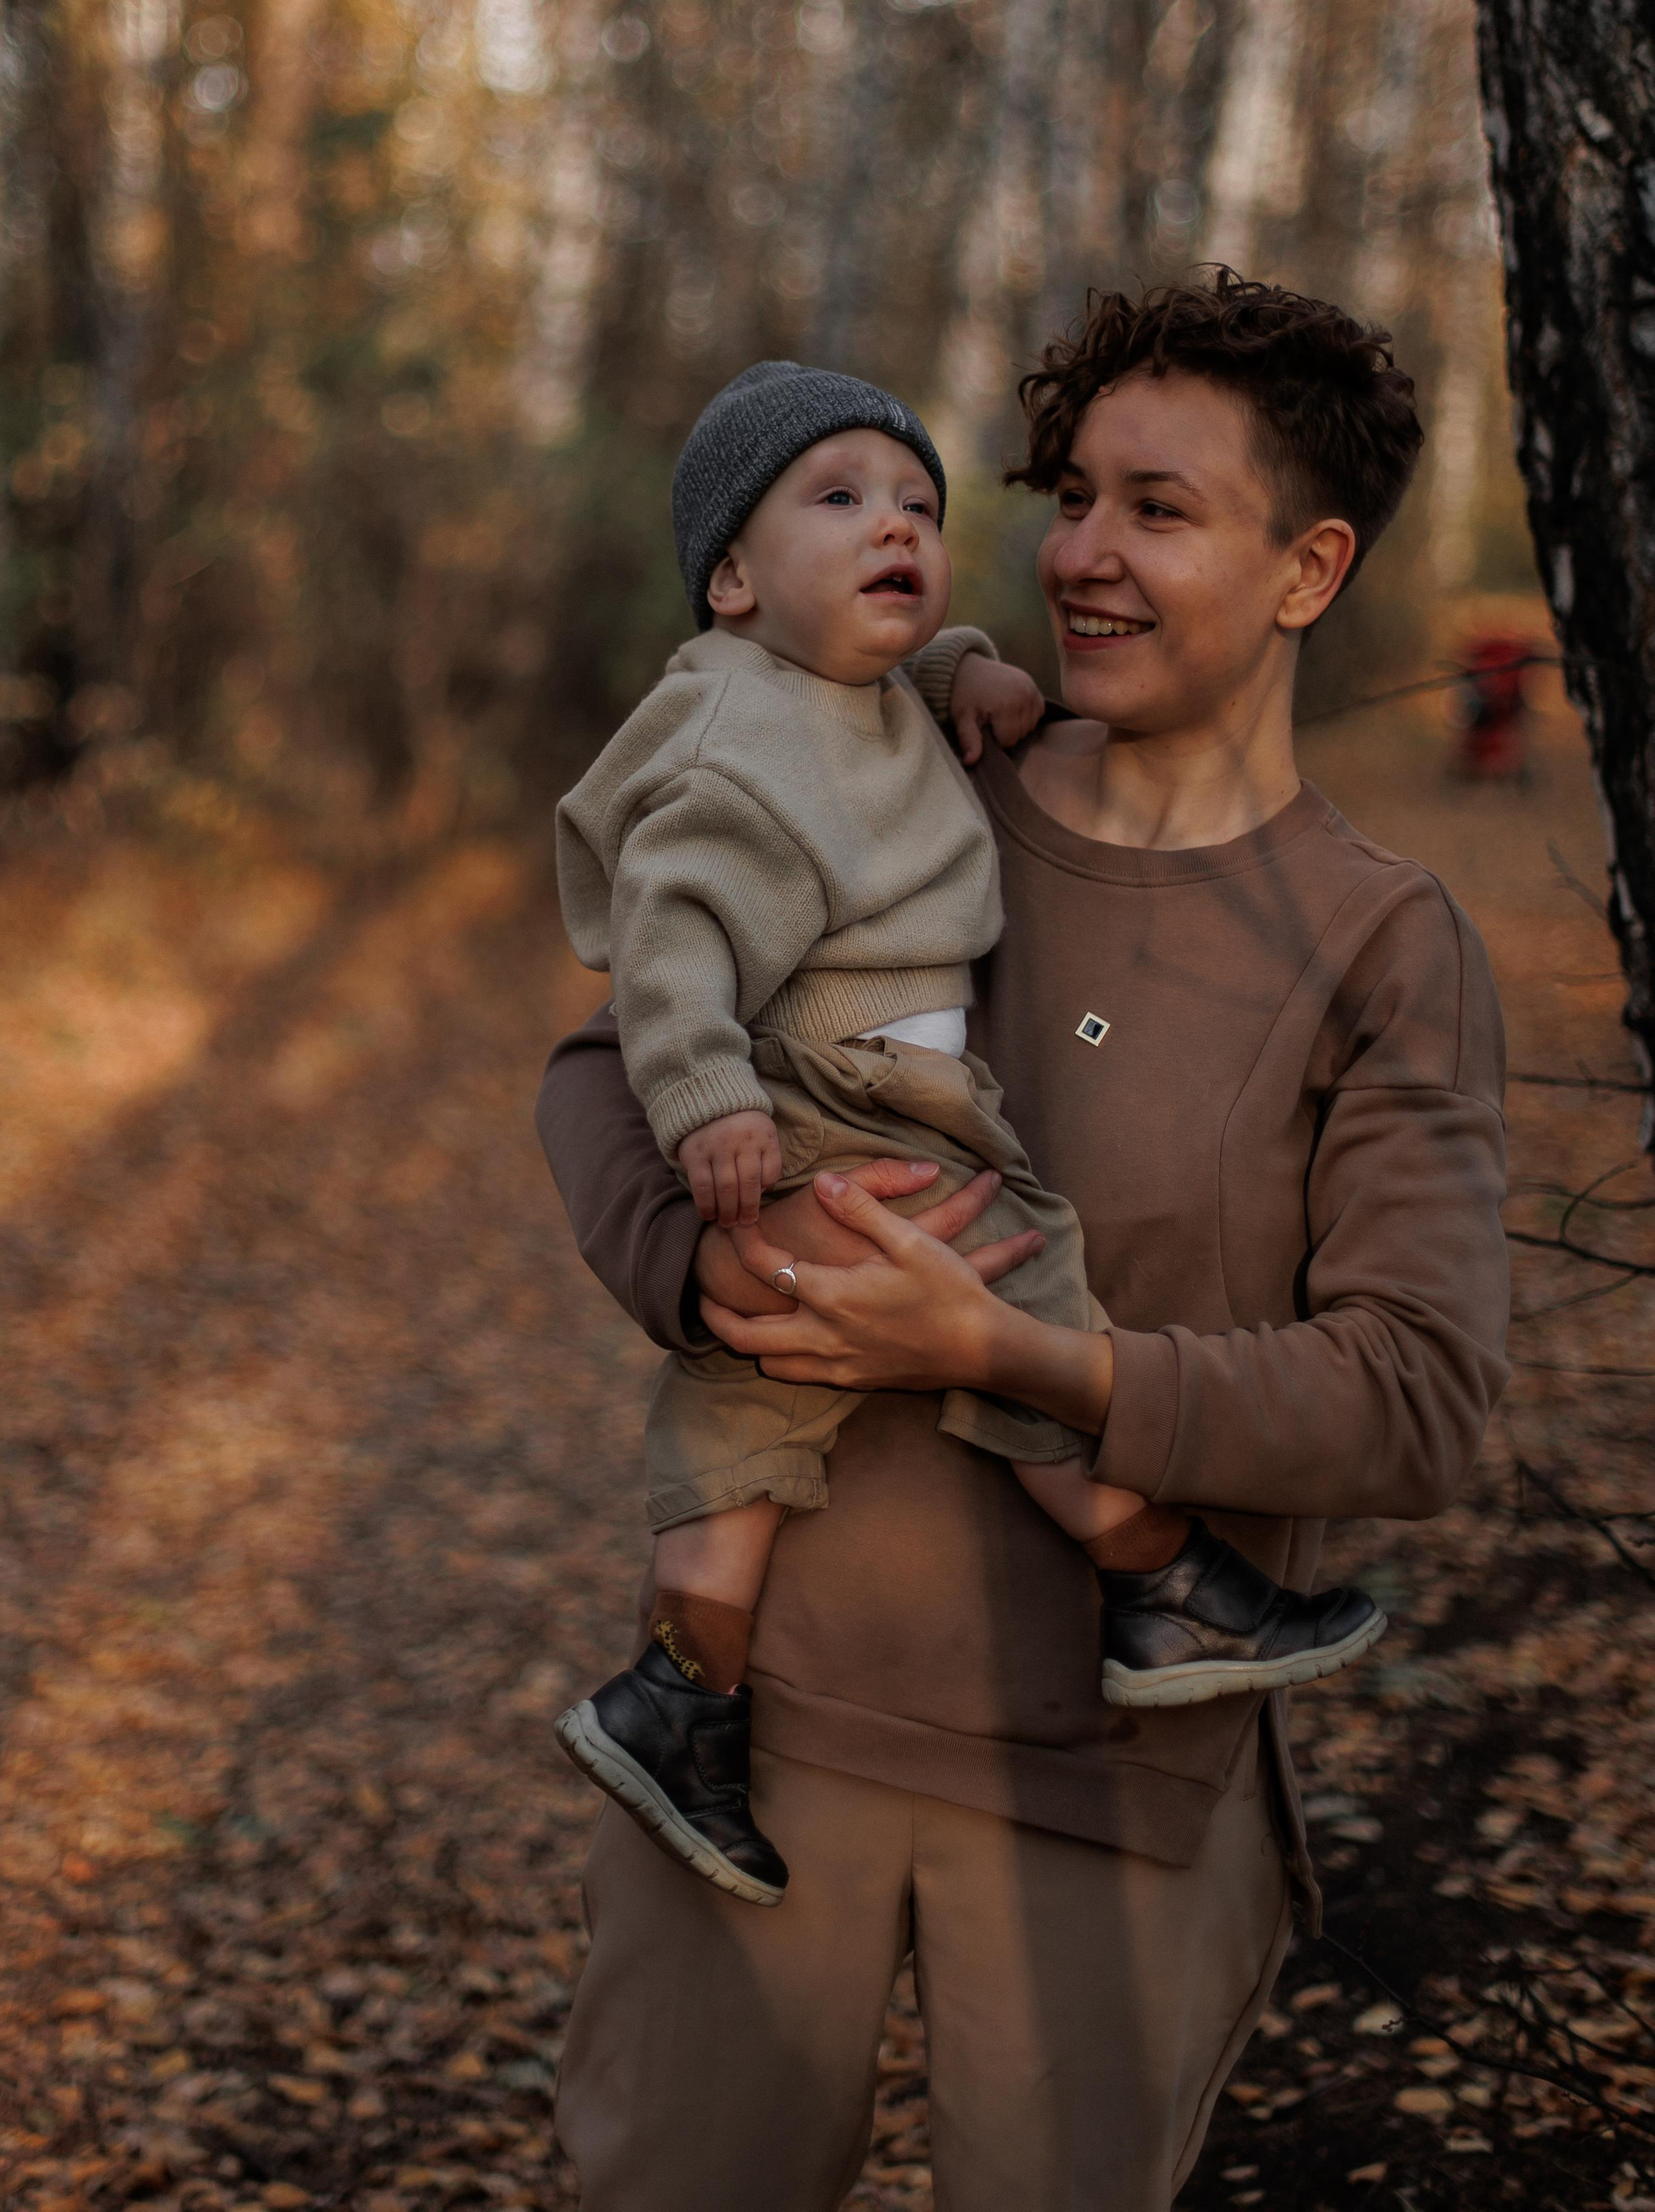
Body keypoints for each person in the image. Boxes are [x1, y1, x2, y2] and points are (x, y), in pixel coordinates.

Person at [535, 273, 1512, 2212]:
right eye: (1071, 494)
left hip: (1110, 1797)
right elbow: (600, 1062)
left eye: (1159, 508)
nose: (1079, 554)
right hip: (768, 1746)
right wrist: (691, 1259)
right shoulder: (901, 777)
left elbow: (1423, 1400)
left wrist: (1018, 1359)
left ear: (1308, 568)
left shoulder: (1381, 941)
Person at [550, 359, 1383, 1912]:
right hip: (837, 1095)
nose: (898, 530)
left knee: (746, 1438)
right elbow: (657, 963)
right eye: (844, 499)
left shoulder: (863, 701)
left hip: (870, 1088)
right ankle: (1154, 1581)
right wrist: (703, 1145)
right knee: (999, 1263)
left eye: (920, 508)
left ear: (1305, 569)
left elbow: (874, 696)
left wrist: (969, 673)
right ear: (730, 577)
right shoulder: (733, 753)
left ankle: (673, 1701)